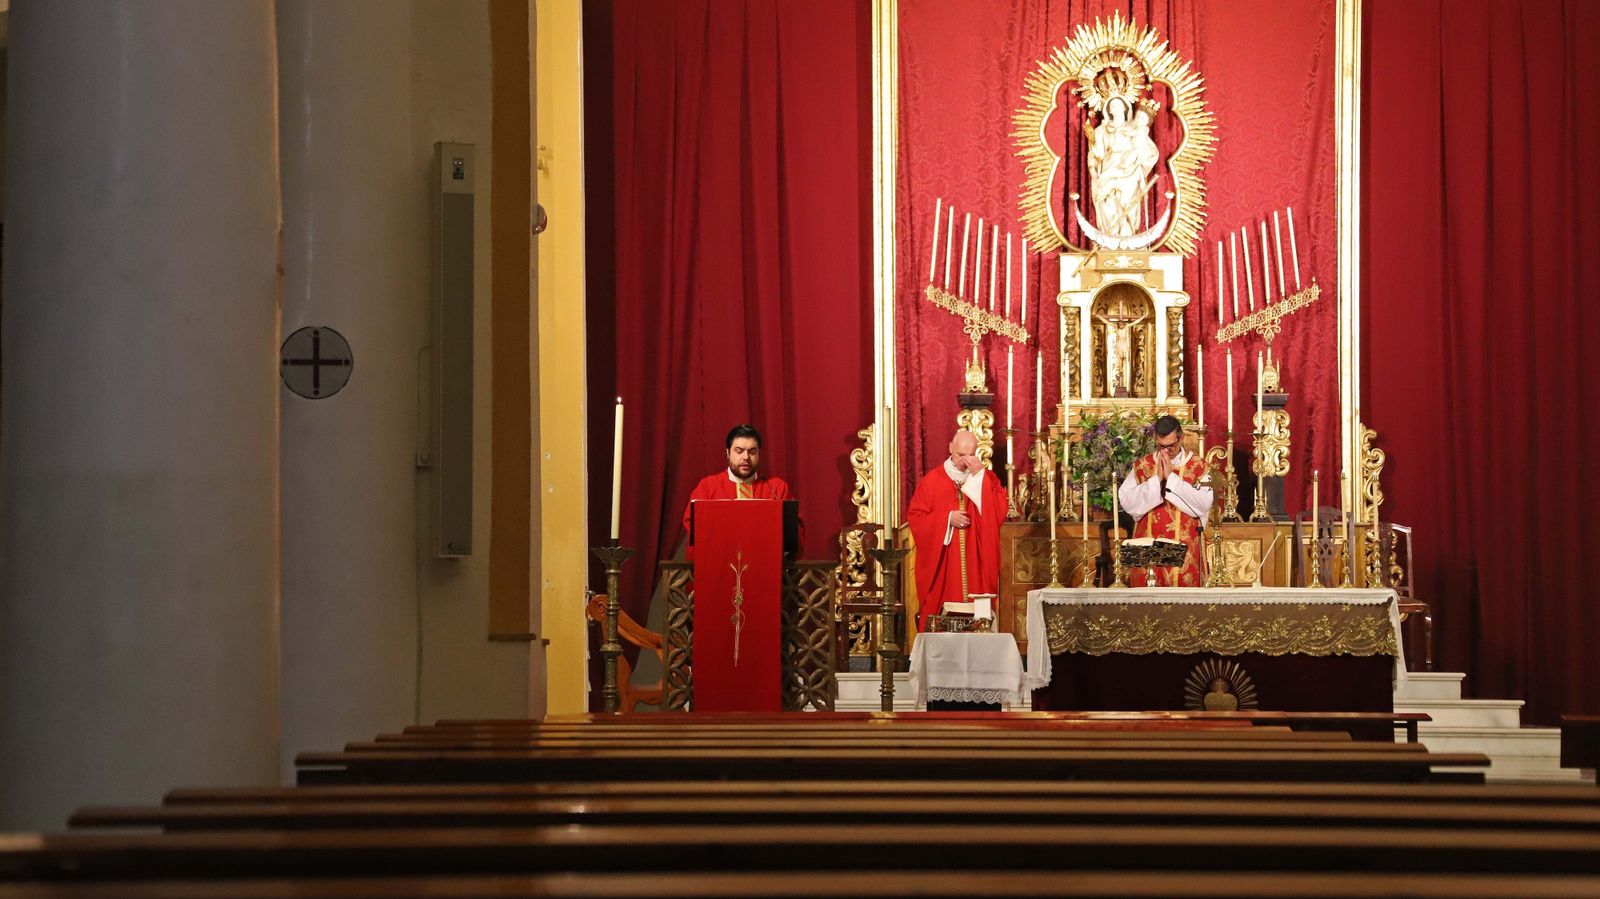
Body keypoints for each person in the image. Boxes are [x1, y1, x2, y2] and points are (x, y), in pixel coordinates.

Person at [905, 430, 1009, 631]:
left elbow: (999, 510)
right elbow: (916, 517)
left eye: (971, 455)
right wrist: (946, 519)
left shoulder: (985, 478)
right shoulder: (932, 481)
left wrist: (980, 477)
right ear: (950, 448)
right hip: (944, 561)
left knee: (978, 624)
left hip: (976, 561)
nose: (966, 460)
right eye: (961, 454)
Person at [1116, 414, 1213, 586]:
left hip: (1185, 549)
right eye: (1161, 446)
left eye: (1171, 446)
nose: (1166, 451)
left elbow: (1204, 504)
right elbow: (1127, 502)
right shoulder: (1142, 465)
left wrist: (1172, 479)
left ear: (1181, 438)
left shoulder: (1200, 467)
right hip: (1147, 549)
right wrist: (1155, 481)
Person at [682, 424, 801, 552]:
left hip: (764, 561)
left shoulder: (777, 488)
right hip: (720, 560)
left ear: (759, 454)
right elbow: (693, 526)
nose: (746, 457)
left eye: (752, 452)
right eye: (739, 451)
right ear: (727, 452)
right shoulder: (707, 487)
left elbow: (794, 532)